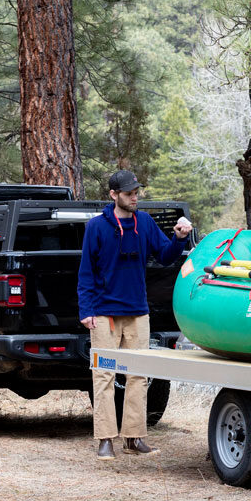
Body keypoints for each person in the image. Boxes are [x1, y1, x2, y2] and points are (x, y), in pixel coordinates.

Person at [79, 169, 192, 461]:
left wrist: (179, 238)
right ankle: (105, 439)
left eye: (136, 192)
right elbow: (86, 273)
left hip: (138, 313)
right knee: (103, 376)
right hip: (104, 315)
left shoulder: (145, 222)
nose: (135, 197)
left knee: (139, 376)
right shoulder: (97, 227)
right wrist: (87, 311)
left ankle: (134, 437)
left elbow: (165, 255)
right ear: (113, 195)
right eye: (129, 193)